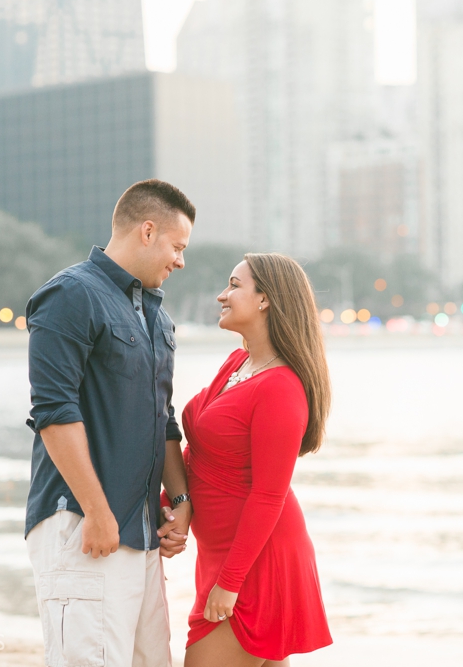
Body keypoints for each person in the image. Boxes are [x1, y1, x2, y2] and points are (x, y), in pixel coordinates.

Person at [24, 179, 195, 667]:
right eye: (178, 246)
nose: (180, 261)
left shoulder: (157, 317)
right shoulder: (70, 295)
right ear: (147, 231)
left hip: (140, 532)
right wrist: (97, 512)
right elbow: (54, 413)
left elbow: (162, 418)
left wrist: (180, 501)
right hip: (84, 526)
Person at [166, 253, 333, 667]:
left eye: (234, 285)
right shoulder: (237, 363)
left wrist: (230, 582)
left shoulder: (281, 388)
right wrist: (174, 504)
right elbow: (203, 453)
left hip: (257, 563)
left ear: (265, 300)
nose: (222, 295)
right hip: (224, 555)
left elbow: (268, 496)